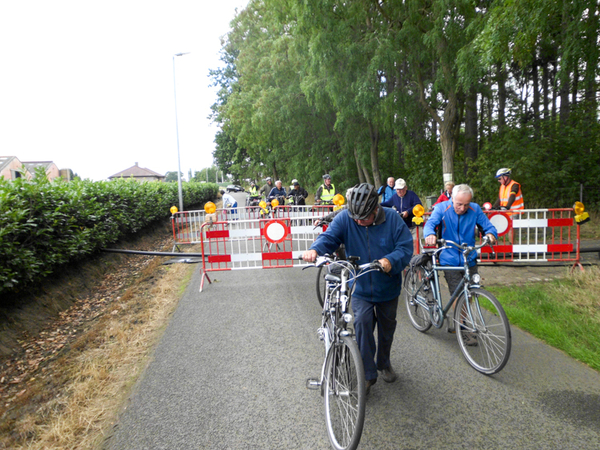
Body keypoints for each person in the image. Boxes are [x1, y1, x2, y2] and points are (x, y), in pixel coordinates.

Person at [303, 183, 413, 395]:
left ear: (375, 210)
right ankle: (368, 375)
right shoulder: (347, 217)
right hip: (361, 286)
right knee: (362, 325)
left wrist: (390, 260)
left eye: (363, 218)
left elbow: (405, 247)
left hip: (387, 286)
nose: (358, 222)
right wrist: (315, 249)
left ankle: (383, 363)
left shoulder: (392, 219)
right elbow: (330, 237)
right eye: (355, 218)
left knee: (387, 329)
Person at [423, 184, 498, 340]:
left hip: (468, 257)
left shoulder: (475, 209)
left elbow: (488, 225)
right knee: (458, 293)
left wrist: (491, 234)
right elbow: (430, 224)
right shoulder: (442, 208)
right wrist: (430, 234)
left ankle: (459, 320)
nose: (463, 208)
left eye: (466, 204)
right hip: (449, 258)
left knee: (469, 293)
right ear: (452, 198)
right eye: (459, 204)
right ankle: (461, 326)